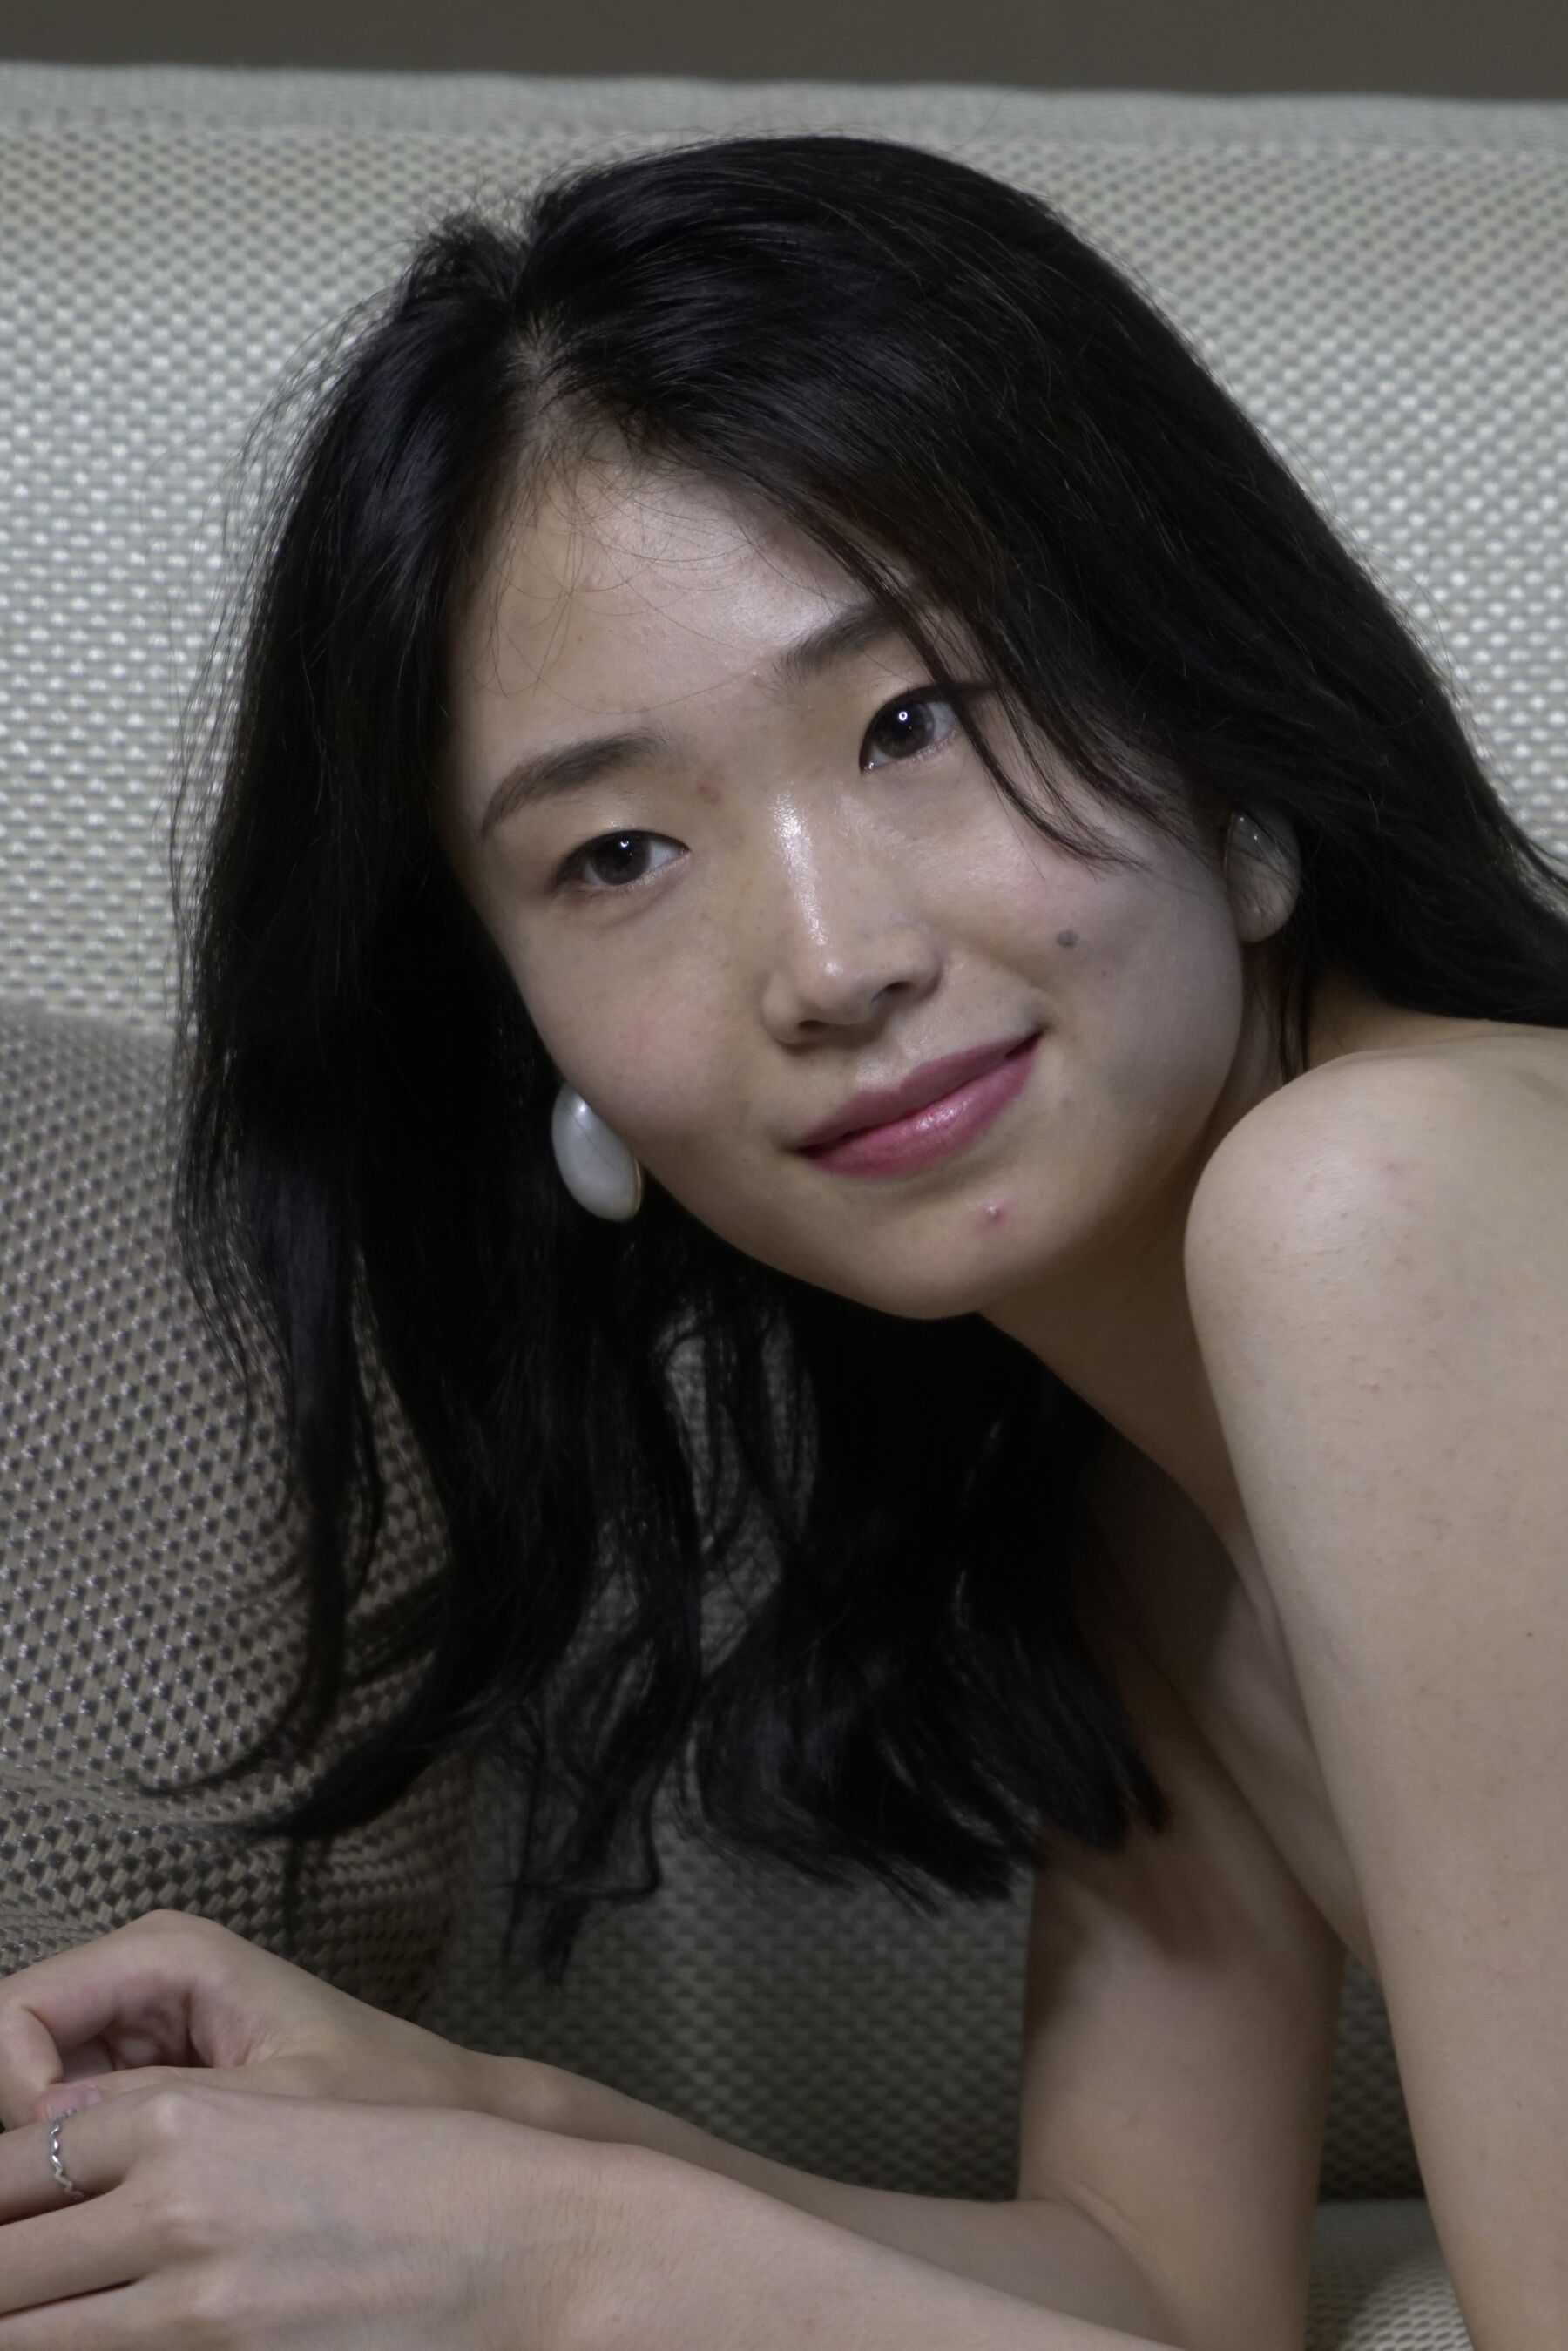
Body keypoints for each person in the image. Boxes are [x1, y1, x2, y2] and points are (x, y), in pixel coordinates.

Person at [0, 128, 1563, 2350]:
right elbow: (1157, 2293)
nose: (830, 962)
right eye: (619, 856)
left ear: (1221, 740)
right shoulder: (1151, 1484)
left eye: (916, 719)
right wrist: (469, 2126)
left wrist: (565, 2273)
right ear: (530, 1039)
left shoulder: (1394, 1204)